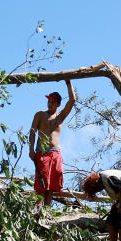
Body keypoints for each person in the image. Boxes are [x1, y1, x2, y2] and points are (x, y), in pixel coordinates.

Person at [29, 80, 76, 214]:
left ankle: (47, 212)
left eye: (53, 102)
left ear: (58, 104)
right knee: (41, 185)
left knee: (52, 185)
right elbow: (32, 132)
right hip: (42, 153)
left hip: (56, 154)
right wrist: (30, 149)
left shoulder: (60, 117)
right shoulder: (40, 114)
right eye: (49, 101)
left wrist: (68, 82)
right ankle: (37, 210)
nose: (50, 104)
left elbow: (72, 100)